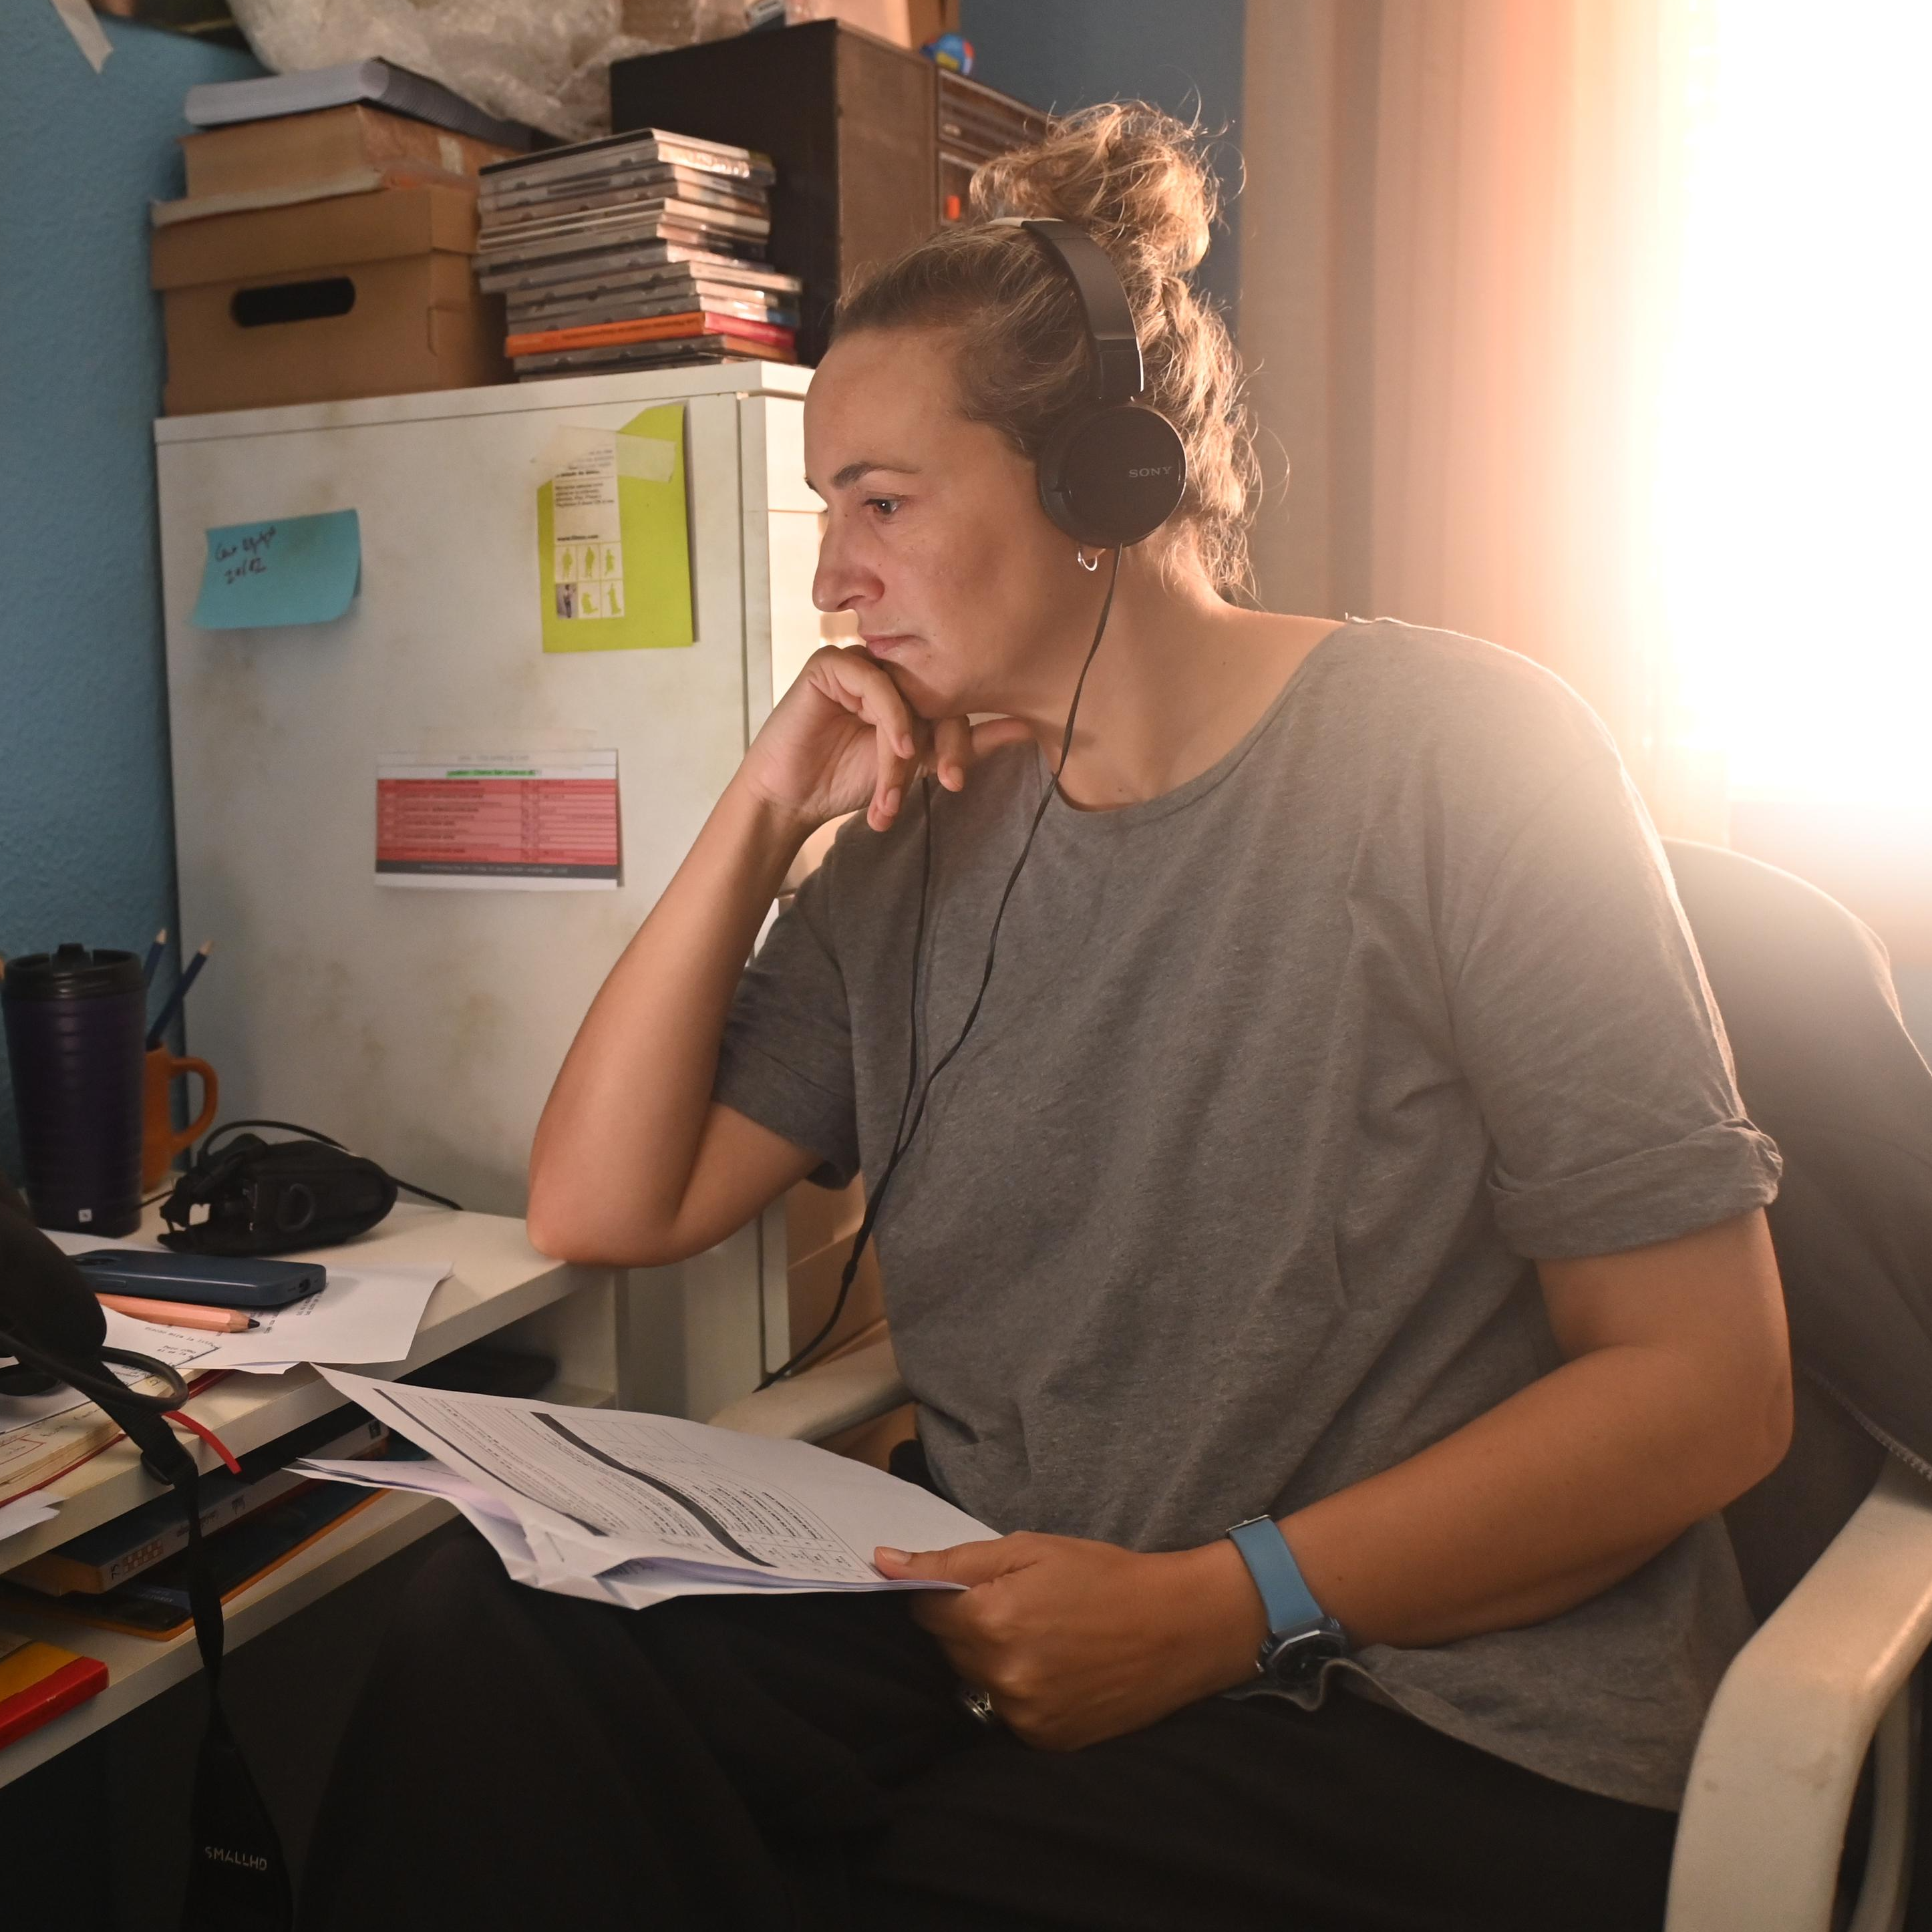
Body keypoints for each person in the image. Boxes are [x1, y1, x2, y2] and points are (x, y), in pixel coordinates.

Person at [298, 106, 1791, 1931]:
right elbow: (606, 1202)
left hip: (1422, 1697)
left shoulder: (1456, 755)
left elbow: (1709, 1391)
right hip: (1014, 1632)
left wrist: (1219, 1605)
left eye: (882, 502)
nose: (832, 577)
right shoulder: (916, 844)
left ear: (1103, 487)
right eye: (824, 510)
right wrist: (760, 810)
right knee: (490, 1637)